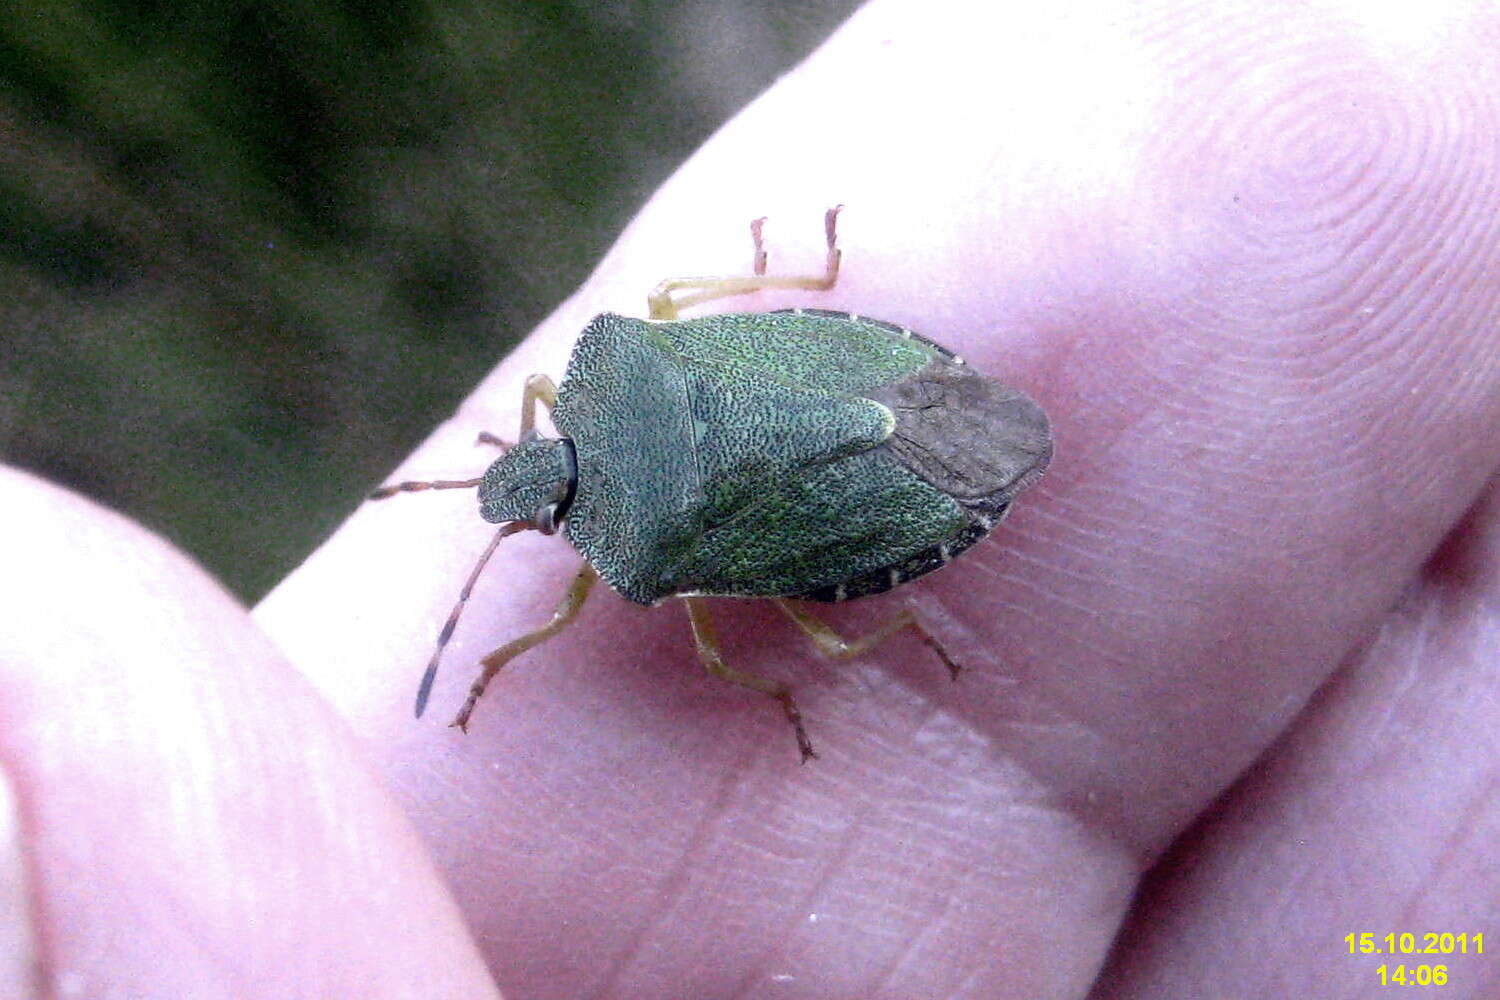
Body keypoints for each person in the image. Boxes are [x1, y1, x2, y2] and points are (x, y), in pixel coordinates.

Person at [3, 3, 1497, 996]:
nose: (508, 506)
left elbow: (721, 651)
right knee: (674, 344)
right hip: (837, 380)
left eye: (499, 500)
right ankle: (815, 284)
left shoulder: (626, 563)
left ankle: (875, 595)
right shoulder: (613, 413)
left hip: (832, 476)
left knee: (756, 648)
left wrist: (506, 676)